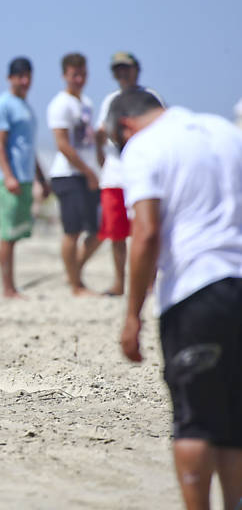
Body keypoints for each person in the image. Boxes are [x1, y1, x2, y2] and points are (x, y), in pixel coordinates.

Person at [107, 89, 242, 510]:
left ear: (124, 126)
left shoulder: (145, 147)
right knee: (234, 420)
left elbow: (145, 233)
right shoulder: (227, 132)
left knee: (195, 422)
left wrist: (133, 315)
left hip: (195, 293)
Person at [95, 52, 162, 296]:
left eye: (126, 68)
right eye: (117, 70)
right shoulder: (110, 100)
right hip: (115, 175)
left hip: (143, 175)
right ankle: (119, 282)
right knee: (117, 234)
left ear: (136, 69)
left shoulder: (150, 97)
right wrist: (100, 160)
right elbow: (101, 134)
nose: (122, 73)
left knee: (145, 229)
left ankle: (150, 281)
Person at [0, 56, 50, 298]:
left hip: (25, 177)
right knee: (8, 234)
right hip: (10, 179)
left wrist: (41, 178)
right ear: (10, 78)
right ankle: (8, 288)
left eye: (28, 76)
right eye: (20, 76)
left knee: (16, 234)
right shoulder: (2, 105)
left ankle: (12, 285)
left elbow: (27, 148)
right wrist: (8, 176)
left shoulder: (25, 106)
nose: (25, 81)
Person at [47, 52, 101, 296]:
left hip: (87, 173)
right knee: (72, 231)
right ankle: (75, 284)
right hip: (67, 174)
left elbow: (89, 142)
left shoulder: (86, 103)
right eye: (74, 75)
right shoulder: (60, 104)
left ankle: (73, 273)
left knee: (100, 229)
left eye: (82, 74)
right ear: (65, 76)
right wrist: (87, 171)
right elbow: (63, 144)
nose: (79, 79)